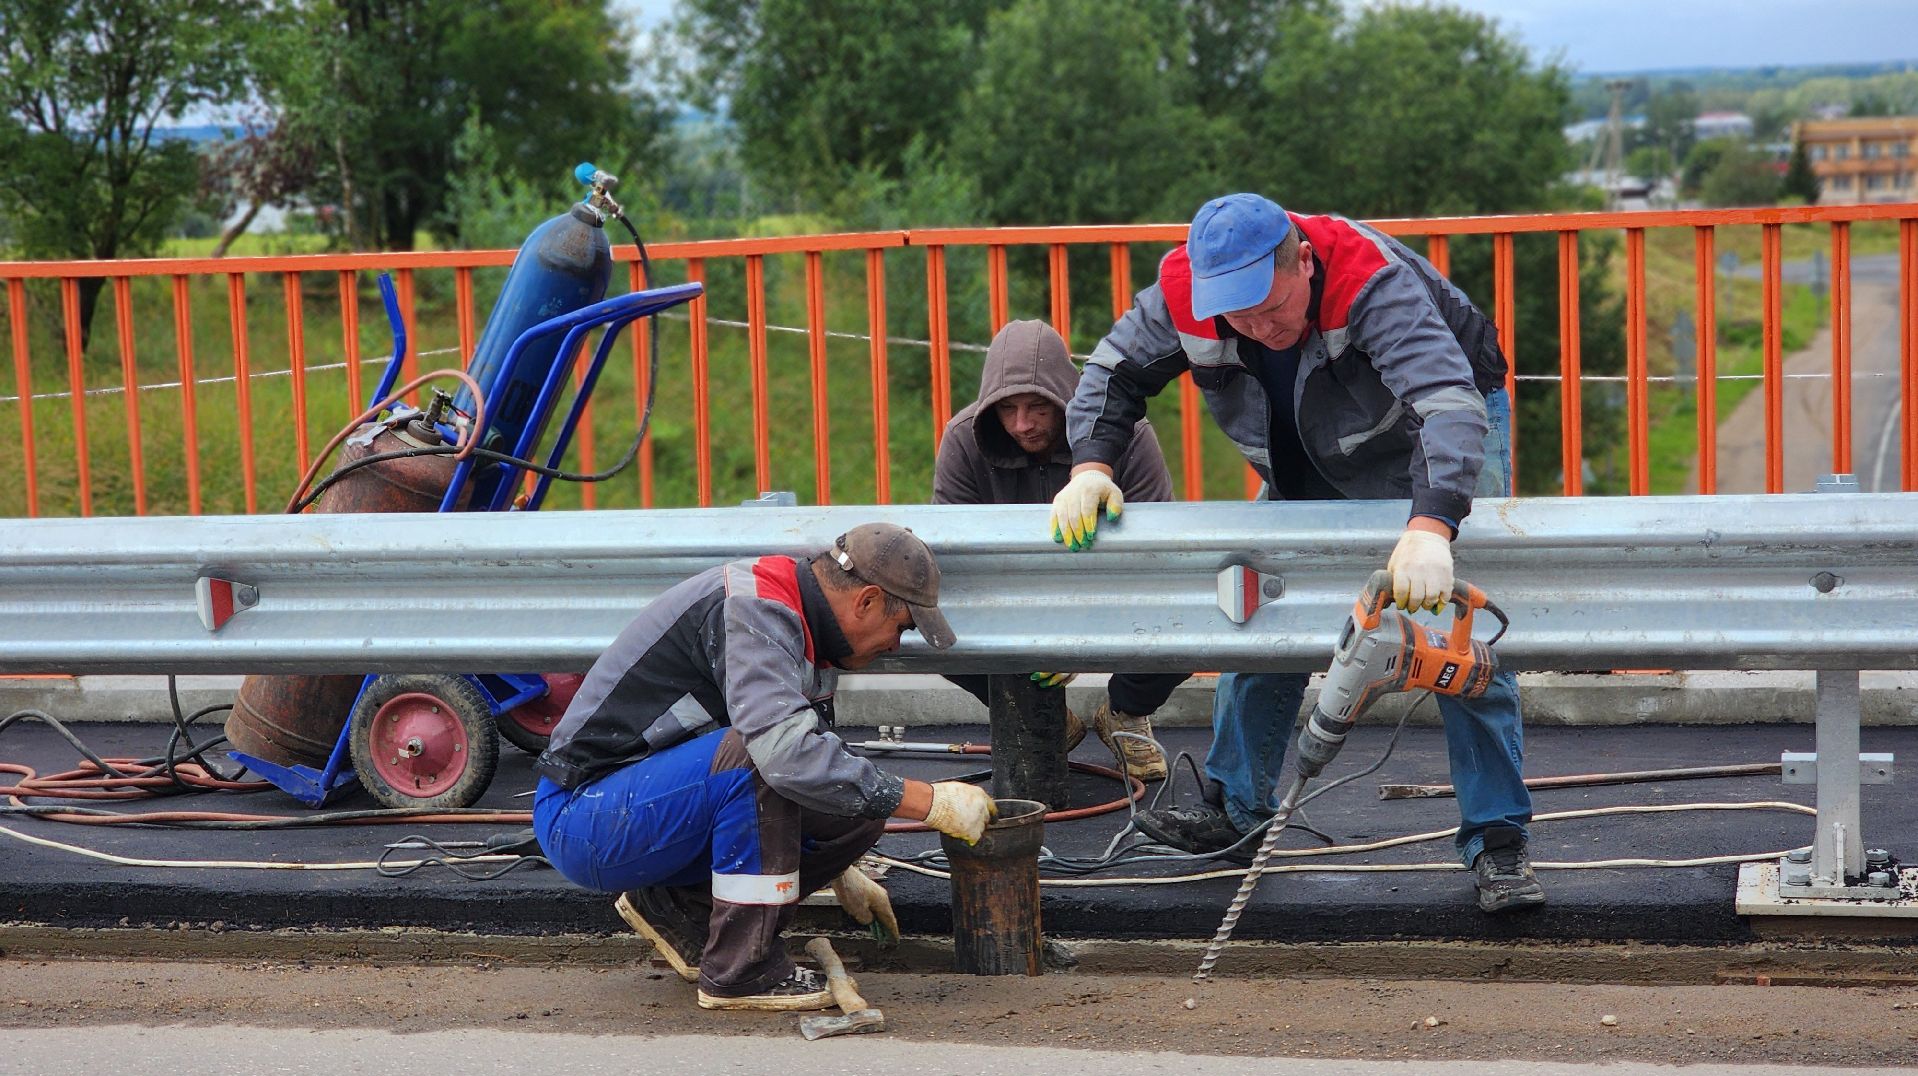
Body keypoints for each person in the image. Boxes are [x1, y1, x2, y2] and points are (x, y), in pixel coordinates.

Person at [1049, 193, 1542, 914]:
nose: (1257, 329)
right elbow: (1113, 372)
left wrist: (1433, 526)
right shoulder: (1186, 291)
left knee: (1452, 633)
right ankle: (1235, 810)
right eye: (1238, 318)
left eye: (1271, 309)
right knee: (1259, 605)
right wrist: (1091, 466)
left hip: (1431, 430)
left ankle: (1498, 838)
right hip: (1303, 445)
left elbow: (1446, 402)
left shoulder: (1370, 281)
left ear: (1304, 262)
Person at [533, 523, 995, 1010]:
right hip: (584, 816)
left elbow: (821, 770)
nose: (896, 645)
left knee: (857, 803)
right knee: (768, 759)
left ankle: (680, 911)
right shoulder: (756, 609)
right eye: (900, 627)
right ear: (867, 601)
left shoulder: (808, 628)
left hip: (639, 806)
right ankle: (742, 972)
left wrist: (843, 866)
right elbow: (784, 755)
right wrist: (931, 802)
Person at [933, 318, 1188, 781]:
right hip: (1008, 598)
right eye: (1007, 409)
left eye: (1038, 407)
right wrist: (1029, 633)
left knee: (1194, 615)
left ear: (1065, 401)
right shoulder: (963, 439)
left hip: (1114, 590)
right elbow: (954, 566)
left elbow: (1157, 562)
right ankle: (1040, 714)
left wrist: (1079, 633)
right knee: (929, 626)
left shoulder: (1129, 436)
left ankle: (1127, 711)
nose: (1022, 424)